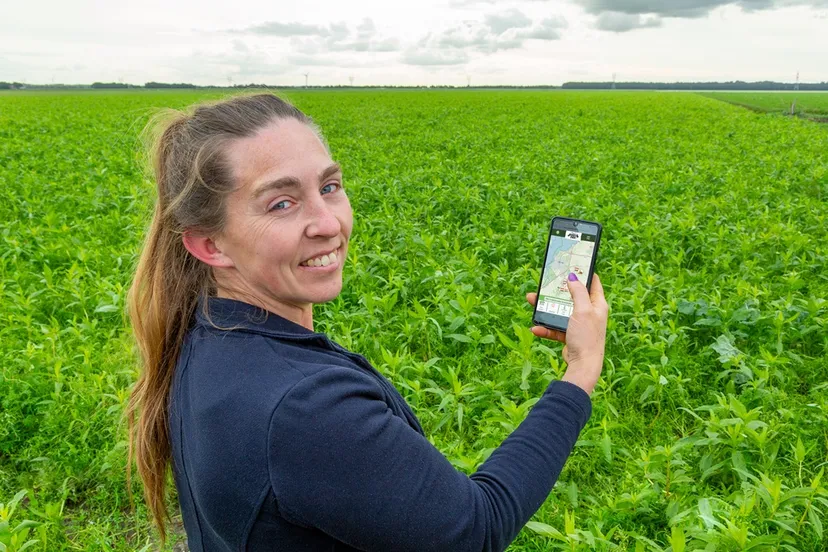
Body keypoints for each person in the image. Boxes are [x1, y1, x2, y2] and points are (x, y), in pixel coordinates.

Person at [125, 93, 609, 552]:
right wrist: (580, 370)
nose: (328, 223)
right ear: (210, 245)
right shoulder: (307, 409)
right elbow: (476, 530)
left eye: (329, 187)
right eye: (281, 203)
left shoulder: (204, 333)